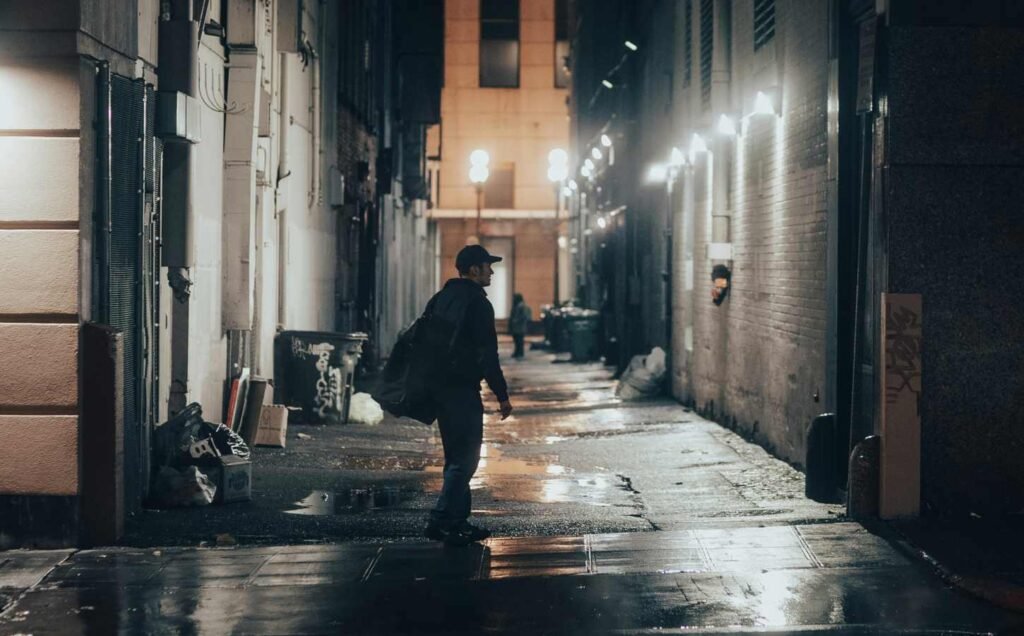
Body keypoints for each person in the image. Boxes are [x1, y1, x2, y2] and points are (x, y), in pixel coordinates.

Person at [423, 244, 514, 546]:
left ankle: (458, 522)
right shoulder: (477, 303)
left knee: (456, 457)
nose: (492, 271)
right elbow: (487, 353)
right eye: (488, 266)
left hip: (440, 389)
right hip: (462, 390)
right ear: (474, 269)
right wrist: (501, 394)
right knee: (466, 459)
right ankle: (441, 519)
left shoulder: (441, 298)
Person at [508, 292, 532, 359]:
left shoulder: (520, 306)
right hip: (518, 327)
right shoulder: (518, 305)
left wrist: (516, 320)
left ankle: (519, 353)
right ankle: (518, 352)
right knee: (517, 340)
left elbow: (523, 316)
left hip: (519, 327)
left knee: (519, 341)